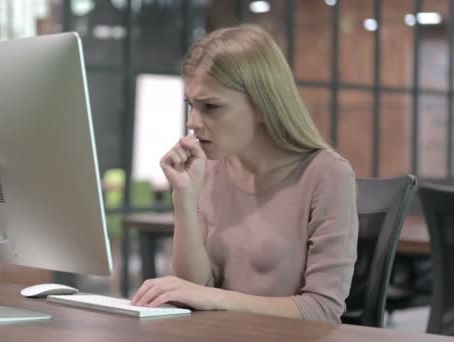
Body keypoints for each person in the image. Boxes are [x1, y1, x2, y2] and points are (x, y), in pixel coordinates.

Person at [130, 24, 358, 323]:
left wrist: (216, 298)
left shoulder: (328, 175)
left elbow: (322, 310)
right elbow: (194, 291)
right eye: (192, 106)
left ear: (264, 106)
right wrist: (184, 199)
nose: (193, 123)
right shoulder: (210, 168)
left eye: (211, 106)